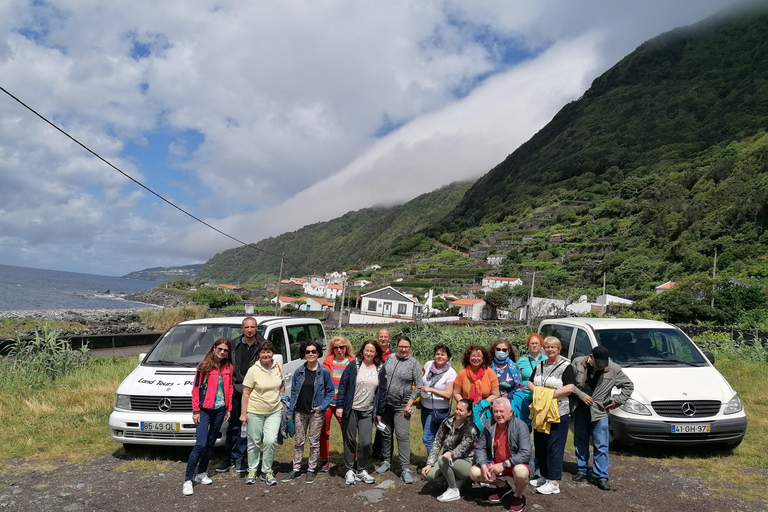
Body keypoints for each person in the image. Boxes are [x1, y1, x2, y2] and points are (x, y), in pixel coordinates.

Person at [571, 345, 634, 491]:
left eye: (603, 364)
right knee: (580, 440)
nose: (601, 367)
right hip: (580, 408)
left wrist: (618, 400)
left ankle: (602, 476)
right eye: (598, 364)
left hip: (600, 411)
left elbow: (628, 386)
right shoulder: (577, 363)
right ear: (591, 357)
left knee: (601, 444)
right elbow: (570, 384)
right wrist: (581, 395)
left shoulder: (613, 368)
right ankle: (582, 469)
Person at [183, 337, 234, 496]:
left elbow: (230, 388)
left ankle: (201, 473)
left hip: (220, 410)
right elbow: (196, 389)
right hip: (204, 410)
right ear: (214, 348)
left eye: (225, 350)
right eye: (220, 349)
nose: (222, 352)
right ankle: (187, 480)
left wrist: (228, 409)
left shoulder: (229, 368)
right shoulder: (203, 366)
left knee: (211, 442)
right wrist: (196, 410)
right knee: (201, 444)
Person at [527, 336, 575, 495]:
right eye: (547, 347)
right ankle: (543, 475)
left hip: (558, 412)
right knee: (540, 444)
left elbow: (570, 388)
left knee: (555, 445)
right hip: (541, 412)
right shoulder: (540, 365)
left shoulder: (566, 366)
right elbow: (530, 382)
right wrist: (539, 393)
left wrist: (549, 395)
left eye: (553, 347)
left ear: (559, 349)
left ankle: (554, 481)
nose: (550, 350)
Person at [217, 317, 265, 474]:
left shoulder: (262, 345)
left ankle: (240, 458)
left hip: (254, 394)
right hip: (235, 392)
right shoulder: (233, 344)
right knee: (233, 427)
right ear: (242, 328)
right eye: (247, 327)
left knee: (248, 428)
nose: (250, 329)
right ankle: (227, 458)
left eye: (253, 327)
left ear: (256, 328)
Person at [336, 339, 388, 486]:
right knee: (350, 440)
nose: (369, 353)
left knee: (365, 442)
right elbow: (343, 386)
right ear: (362, 351)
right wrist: (340, 406)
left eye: (372, 351)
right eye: (367, 350)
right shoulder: (354, 365)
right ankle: (349, 470)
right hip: (351, 409)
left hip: (368, 411)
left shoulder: (380, 368)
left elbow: (382, 391)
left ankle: (361, 470)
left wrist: (380, 411)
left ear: (376, 352)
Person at [284, 339, 335, 484]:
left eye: (314, 351)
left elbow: (330, 392)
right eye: (308, 352)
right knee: (298, 441)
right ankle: (296, 468)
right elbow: (293, 392)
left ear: (318, 353)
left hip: (316, 412)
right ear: (304, 353)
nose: (311, 354)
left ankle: (311, 469)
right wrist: (290, 411)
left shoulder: (323, 372)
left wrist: (322, 406)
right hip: (300, 412)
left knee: (314, 442)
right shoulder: (299, 372)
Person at [470, 397, 532, 512]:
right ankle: (503, 487)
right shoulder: (489, 423)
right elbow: (480, 448)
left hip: (514, 463)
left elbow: (526, 453)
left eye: (502, 411)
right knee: (474, 473)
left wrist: (504, 464)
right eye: (495, 411)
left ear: (510, 412)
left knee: (521, 472)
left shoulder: (520, 426)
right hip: (495, 462)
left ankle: (517, 496)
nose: (498, 415)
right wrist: (483, 465)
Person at [376, 335, 422, 483]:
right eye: (401, 346)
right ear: (397, 347)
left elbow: (419, 386)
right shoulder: (389, 358)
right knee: (385, 433)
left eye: (406, 347)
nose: (403, 349)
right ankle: (386, 461)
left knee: (402, 436)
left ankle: (405, 468)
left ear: (410, 348)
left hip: (402, 406)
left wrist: (409, 404)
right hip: (386, 404)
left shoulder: (414, 363)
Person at [240, 341, 285, 486]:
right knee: (254, 441)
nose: (266, 355)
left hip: (274, 411)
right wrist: (243, 413)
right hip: (255, 411)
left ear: (273, 353)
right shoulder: (253, 370)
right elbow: (246, 392)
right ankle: (252, 469)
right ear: (259, 354)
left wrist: (283, 401)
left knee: (270, 441)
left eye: (269, 352)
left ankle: (267, 470)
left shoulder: (278, 366)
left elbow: (281, 385)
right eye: (263, 352)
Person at [421, 399, 478, 503]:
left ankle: (453, 489)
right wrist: (429, 463)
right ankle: (456, 480)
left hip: (465, 462)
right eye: (456, 409)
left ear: (469, 413)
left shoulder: (471, 429)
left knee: (442, 459)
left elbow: (461, 449)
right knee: (429, 475)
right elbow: (437, 443)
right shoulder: (446, 423)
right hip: (447, 459)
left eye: (461, 410)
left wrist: (450, 454)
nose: (457, 412)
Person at [319, 336, 355, 472]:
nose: (339, 350)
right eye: (336, 347)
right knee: (324, 431)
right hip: (328, 402)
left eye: (342, 347)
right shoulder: (327, 362)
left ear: (346, 348)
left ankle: (352, 459)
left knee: (348, 432)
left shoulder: (352, 362)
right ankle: (324, 459)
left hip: (344, 404)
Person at [418, 344, 458, 454]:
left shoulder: (451, 373)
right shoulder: (428, 365)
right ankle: (432, 460)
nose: (439, 356)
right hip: (425, 407)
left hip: (438, 410)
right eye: (437, 354)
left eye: (443, 355)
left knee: (427, 437)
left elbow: (448, 394)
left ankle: (432, 464)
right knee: (433, 437)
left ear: (448, 357)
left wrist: (431, 390)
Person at [453, 345, 500, 431]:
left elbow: (496, 393)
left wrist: (485, 402)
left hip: (484, 411)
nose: (476, 358)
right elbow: (456, 393)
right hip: (466, 413)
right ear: (468, 358)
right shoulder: (462, 373)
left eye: (478, 356)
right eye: (473, 356)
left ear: (483, 358)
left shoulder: (490, 373)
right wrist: (464, 405)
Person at [489, 339, 526, 418]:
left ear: (508, 351)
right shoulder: (488, 367)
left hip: (510, 404)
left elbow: (519, 387)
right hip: (492, 404)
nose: (501, 352)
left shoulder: (514, 367)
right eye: (498, 349)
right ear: (494, 350)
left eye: (504, 350)